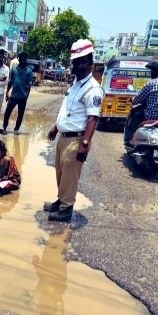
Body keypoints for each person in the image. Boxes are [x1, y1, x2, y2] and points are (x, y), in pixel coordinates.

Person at [45, 39, 103, 221]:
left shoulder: (93, 89)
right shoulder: (75, 84)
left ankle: (66, 209)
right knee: (61, 173)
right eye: (76, 61)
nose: (79, 65)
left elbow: (92, 119)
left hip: (76, 140)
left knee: (70, 176)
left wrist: (84, 144)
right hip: (63, 137)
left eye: (83, 61)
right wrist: (56, 128)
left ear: (91, 63)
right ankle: (61, 200)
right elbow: (68, 112)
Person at [124, 58, 158, 146]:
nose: (151, 72)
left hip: (149, 118)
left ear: (156, 71)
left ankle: (132, 139)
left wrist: (133, 100)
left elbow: (137, 100)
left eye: (152, 70)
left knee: (134, 114)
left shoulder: (151, 84)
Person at [3, 52, 33, 135]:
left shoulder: (29, 71)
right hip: (13, 95)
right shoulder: (14, 69)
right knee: (7, 112)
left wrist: (26, 96)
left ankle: (16, 129)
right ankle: (4, 127)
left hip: (22, 96)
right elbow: (10, 81)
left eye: (24, 59)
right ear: (19, 59)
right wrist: (7, 92)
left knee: (20, 114)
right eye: (21, 59)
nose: (23, 60)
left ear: (26, 60)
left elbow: (29, 84)